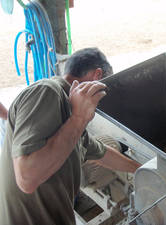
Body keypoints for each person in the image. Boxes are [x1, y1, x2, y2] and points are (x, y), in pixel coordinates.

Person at [0, 47, 140, 225]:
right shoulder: (47, 91)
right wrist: (79, 118)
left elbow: (102, 152)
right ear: (98, 76)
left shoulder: (70, 115)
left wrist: (140, 169)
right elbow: (27, 178)